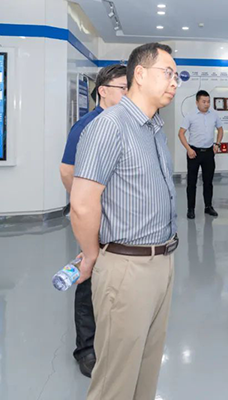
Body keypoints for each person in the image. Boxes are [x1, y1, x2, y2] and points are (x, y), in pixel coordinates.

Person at [70, 42, 180, 400]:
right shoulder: (109, 126)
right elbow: (82, 203)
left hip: (161, 261)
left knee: (146, 368)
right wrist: (91, 256)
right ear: (140, 74)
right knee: (115, 381)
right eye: (168, 72)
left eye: (176, 75)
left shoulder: (153, 128)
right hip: (126, 269)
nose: (174, 81)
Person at [59, 63, 127, 378]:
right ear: (103, 90)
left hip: (123, 222)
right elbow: (67, 171)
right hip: (97, 220)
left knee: (117, 283)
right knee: (88, 278)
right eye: (123, 88)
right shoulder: (87, 126)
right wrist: (85, 204)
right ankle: (86, 349)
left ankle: (112, 341)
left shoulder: (127, 124)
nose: (129, 95)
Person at [178, 90, 223, 219]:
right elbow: (181, 133)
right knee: (191, 182)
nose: (206, 104)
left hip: (209, 152)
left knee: (208, 182)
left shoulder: (214, 115)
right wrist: (188, 149)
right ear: (197, 102)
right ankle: (190, 209)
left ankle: (208, 207)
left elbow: (220, 129)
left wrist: (217, 144)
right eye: (204, 102)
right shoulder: (190, 115)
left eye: (208, 101)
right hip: (194, 152)